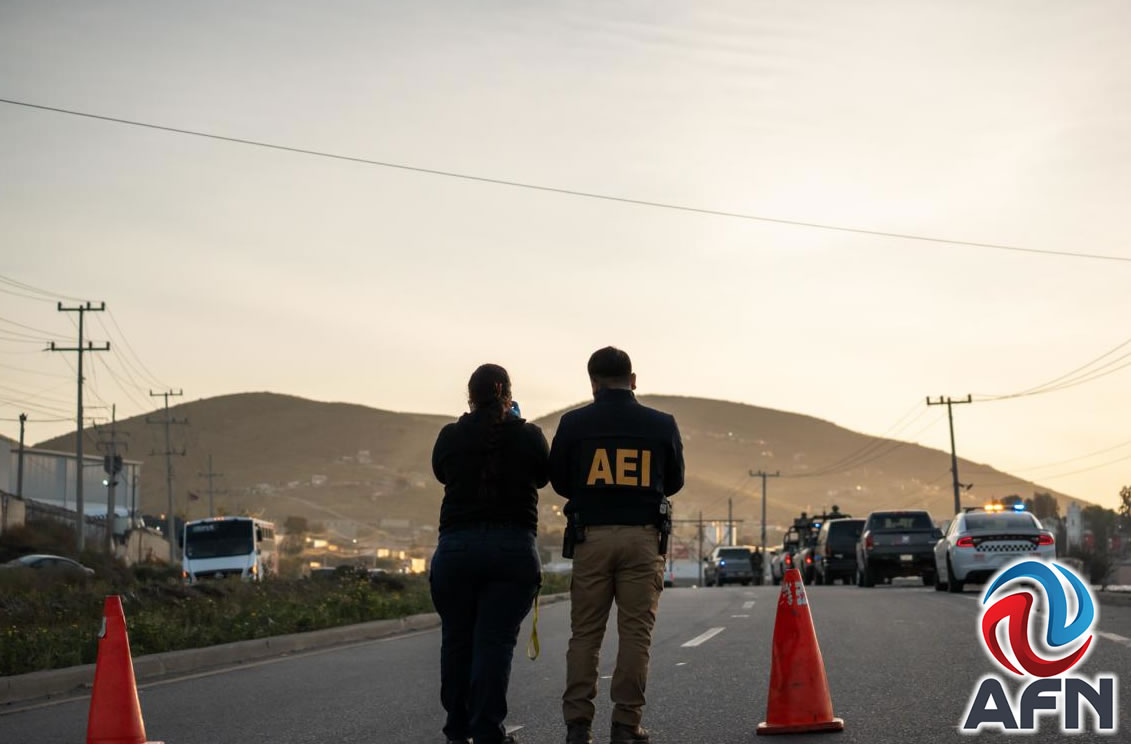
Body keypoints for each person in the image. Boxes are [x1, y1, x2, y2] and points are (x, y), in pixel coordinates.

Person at [550, 347, 685, 744]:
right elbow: (674, 480)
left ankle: (578, 725)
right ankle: (626, 725)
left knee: (585, 634)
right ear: (633, 379)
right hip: (642, 539)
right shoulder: (661, 424)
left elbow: (559, 481)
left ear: (592, 382)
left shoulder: (573, 423)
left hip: (590, 537)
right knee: (635, 633)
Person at [430, 363, 549, 744]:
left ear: (470, 396)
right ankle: (486, 732)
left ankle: (456, 729)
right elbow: (544, 476)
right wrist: (517, 422)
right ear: (507, 394)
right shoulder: (529, 436)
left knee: (457, 641)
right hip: (511, 549)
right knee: (494, 644)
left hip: (456, 549)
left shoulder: (450, 437)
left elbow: (442, 473)